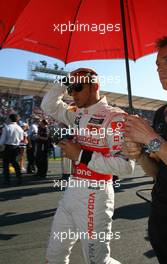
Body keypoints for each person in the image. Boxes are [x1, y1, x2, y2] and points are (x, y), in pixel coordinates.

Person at [41, 68, 134, 264]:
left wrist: (82, 155)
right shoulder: (77, 115)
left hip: (96, 195)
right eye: (70, 89)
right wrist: (64, 81)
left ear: (95, 87)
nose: (73, 93)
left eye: (78, 87)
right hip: (72, 191)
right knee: (54, 256)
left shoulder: (115, 118)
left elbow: (126, 166)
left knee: (98, 261)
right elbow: (48, 105)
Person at [124, 36, 167, 264]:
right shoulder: (160, 114)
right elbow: (157, 173)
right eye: (157, 64)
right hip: (161, 221)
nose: (160, 69)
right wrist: (140, 155)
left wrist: (151, 139)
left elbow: (156, 144)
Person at [0, 113, 24, 185]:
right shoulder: (20, 128)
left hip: (8, 147)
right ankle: (19, 177)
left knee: (6, 164)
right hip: (16, 147)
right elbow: (21, 138)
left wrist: (1, 145)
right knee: (15, 163)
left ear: (10, 119)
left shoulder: (7, 127)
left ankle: (7, 180)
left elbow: (2, 140)